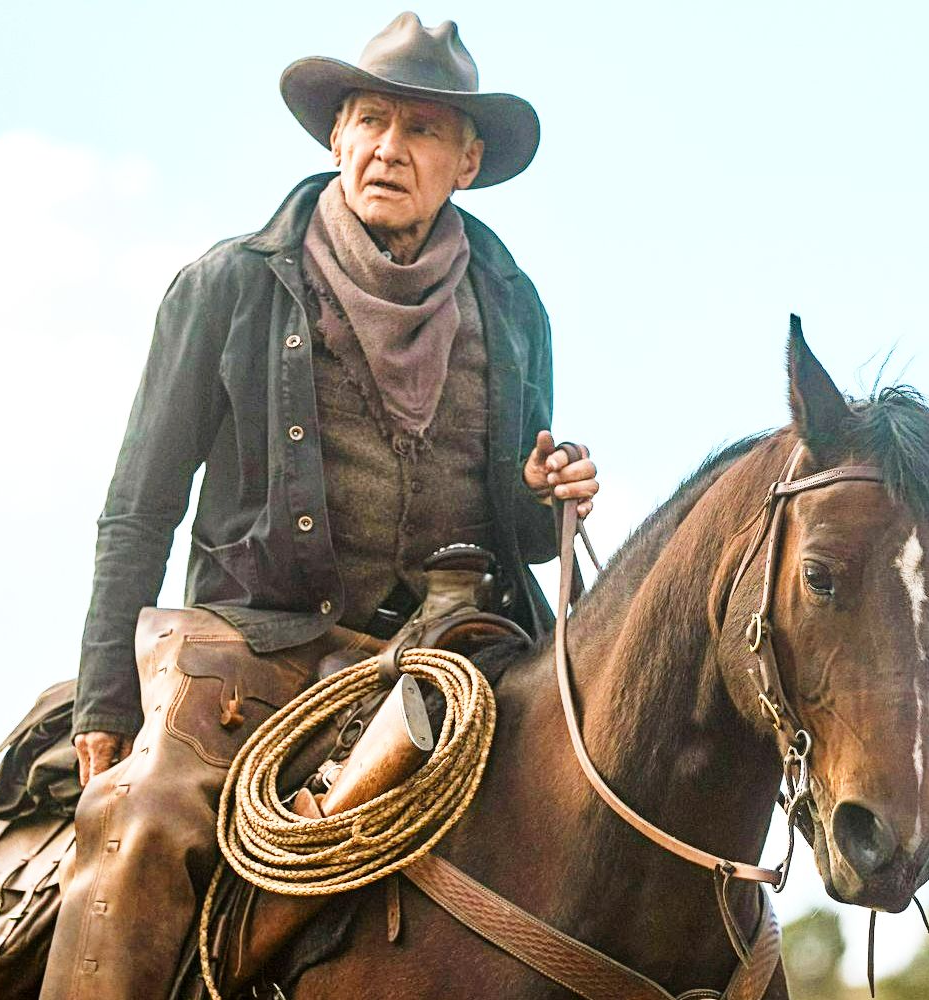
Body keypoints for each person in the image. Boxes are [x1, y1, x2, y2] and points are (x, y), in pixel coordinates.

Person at [40, 13, 596, 998]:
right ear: (336, 135)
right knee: (142, 826)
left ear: (464, 160)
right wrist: (104, 703)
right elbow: (138, 510)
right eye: (371, 119)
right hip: (254, 650)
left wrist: (540, 495)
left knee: (604, 814)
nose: (390, 148)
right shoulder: (229, 286)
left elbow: (519, 538)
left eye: (422, 129)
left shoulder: (514, 304)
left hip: (462, 652)